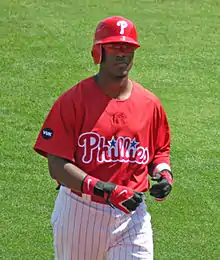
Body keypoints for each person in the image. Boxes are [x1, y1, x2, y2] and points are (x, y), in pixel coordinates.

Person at [34, 15, 173, 260]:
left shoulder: (150, 104)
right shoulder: (73, 101)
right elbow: (56, 165)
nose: (123, 54)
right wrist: (104, 189)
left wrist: (164, 174)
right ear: (99, 52)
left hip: (133, 217)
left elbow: (159, 150)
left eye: (128, 48)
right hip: (81, 213)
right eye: (115, 47)